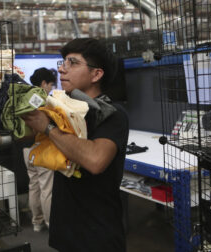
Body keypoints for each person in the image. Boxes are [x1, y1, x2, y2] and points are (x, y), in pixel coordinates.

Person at [21, 38, 129, 252]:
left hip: (97, 235)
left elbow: (95, 160)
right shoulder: (61, 110)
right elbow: (24, 136)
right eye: (63, 63)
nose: (62, 70)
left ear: (96, 74)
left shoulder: (112, 114)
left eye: (72, 63)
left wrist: (49, 128)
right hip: (66, 231)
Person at [25, 67, 57, 232]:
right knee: (47, 188)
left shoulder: (25, 97)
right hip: (42, 148)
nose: (51, 88)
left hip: (26, 149)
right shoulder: (42, 98)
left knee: (34, 185)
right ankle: (50, 225)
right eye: (51, 84)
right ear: (44, 83)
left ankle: (37, 222)